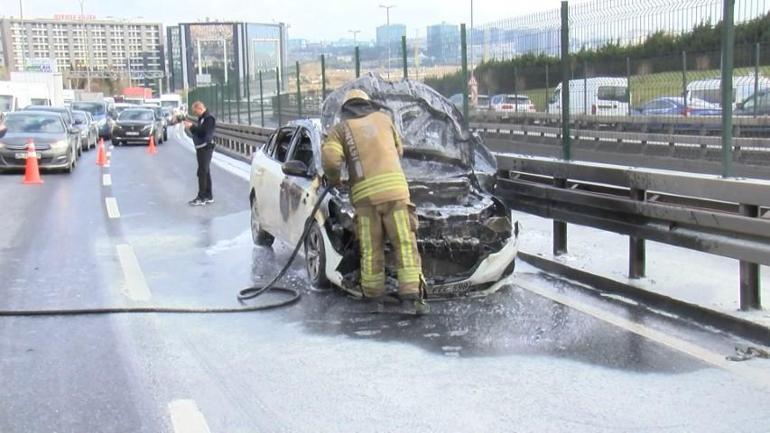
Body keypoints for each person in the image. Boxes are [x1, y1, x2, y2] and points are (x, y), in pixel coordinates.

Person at [321, 89, 425, 307]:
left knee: (371, 248)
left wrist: (335, 179)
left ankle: (374, 296)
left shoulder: (340, 129)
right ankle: (411, 296)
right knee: (405, 244)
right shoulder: (385, 120)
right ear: (367, 104)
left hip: (366, 200)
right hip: (396, 195)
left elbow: (330, 160)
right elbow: (399, 151)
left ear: (345, 109)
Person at [184, 101, 216, 206]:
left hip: (206, 147)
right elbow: (198, 132)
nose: (195, 114)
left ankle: (201, 197)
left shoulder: (209, 118)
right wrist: (192, 128)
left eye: (195, 111)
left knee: (202, 172)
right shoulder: (202, 118)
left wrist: (192, 126)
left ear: (200, 108)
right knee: (205, 171)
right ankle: (208, 195)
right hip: (201, 147)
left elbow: (203, 132)